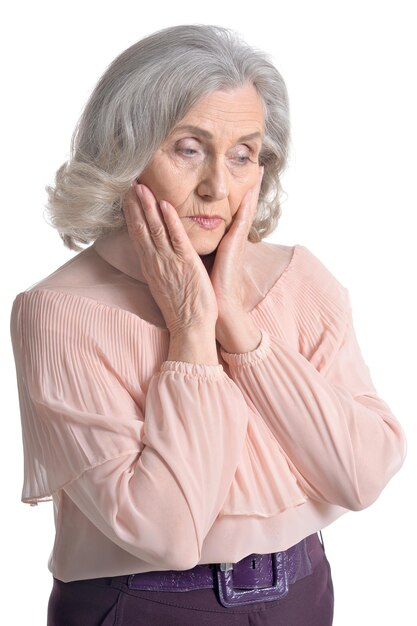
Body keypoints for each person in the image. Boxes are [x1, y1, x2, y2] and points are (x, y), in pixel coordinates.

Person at [10, 23, 407, 626]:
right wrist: (192, 333)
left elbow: (363, 475)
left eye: (243, 154)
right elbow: (164, 532)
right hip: (146, 604)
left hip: (304, 590)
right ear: (125, 151)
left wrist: (239, 330)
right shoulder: (61, 312)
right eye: (189, 148)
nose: (217, 186)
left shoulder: (300, 277)